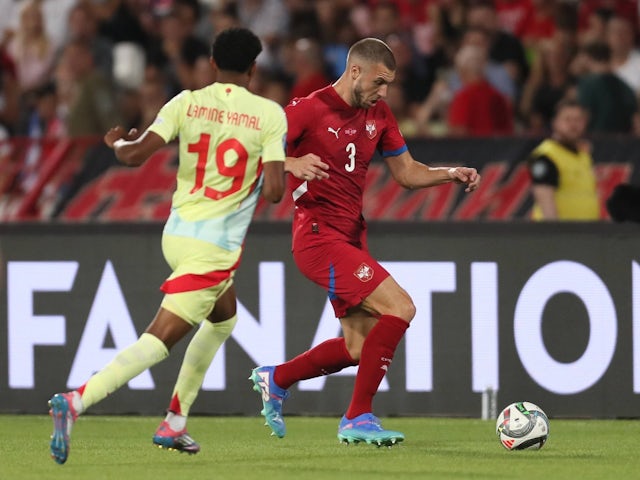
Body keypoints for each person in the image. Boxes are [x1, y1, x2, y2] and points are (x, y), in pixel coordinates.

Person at [48, 27, 288, 465]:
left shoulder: (186, 101)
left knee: (223, 319)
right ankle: (77, 400)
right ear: (254, 69)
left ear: (213, 65)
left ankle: (175, 422)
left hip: (176, 235)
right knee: (158, 341)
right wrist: (270, 165)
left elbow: (134, 154)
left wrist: (118, 140)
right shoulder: (269, 115)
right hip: (214, 249)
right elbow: (274, 191)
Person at [250, 37, 481, 447]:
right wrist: (290, 162)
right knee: (401, 306)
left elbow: (407, 173)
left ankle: (277, 378)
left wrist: (450, 172)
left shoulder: (380, 113)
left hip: (351, 237)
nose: (384, 92)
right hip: (318, 237)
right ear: (355, 71)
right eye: (379, 82)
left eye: (389, 84)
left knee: (358, 346)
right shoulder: (308, 109)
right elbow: (248, 150)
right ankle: (357, 416)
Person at [527, 99, 600, 221]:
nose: (573, 125)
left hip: (584, 234)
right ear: (555, 122)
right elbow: (545, 198)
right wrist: (556, 236)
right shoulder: (546, 156)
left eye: (578, 120)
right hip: (561, 235)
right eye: (567, 119)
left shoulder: (583, 155)